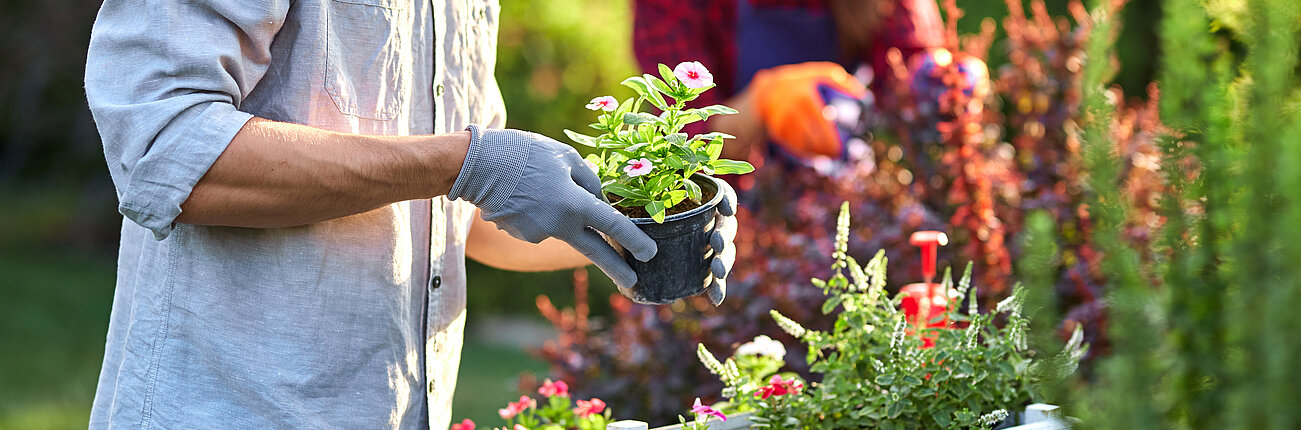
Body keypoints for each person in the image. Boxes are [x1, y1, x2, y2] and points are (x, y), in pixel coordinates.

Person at [83, 1, 736, 428]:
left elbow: (469, 217)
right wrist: (462, 164)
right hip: (228, 409)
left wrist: (639, 232)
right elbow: (165, 149)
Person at [633, 0, 944, 166]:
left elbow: (910, 67)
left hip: (853, 179)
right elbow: (683, 136)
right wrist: (759, 104)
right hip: (740, 212)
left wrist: (944, 83)